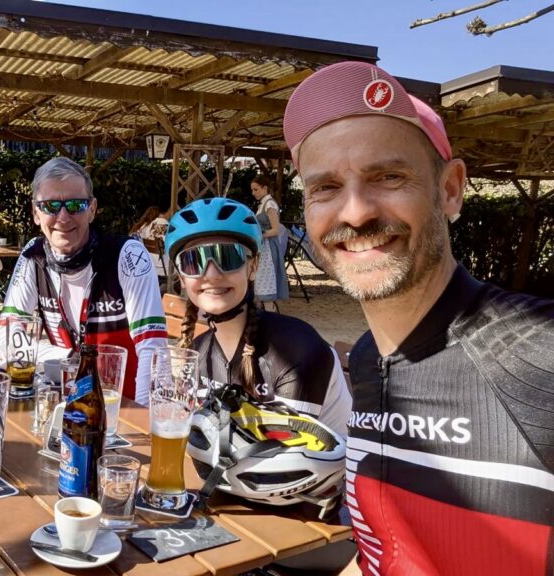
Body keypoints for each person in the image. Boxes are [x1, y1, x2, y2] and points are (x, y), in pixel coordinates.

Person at [284, 61, 554, 575]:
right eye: (326, 188)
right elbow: (382, 553)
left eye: (388, 177)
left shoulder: (539, 355)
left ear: (450, 189)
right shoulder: (369, 357)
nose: (355, 212)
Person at [0, 157, 167, 404]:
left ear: (92, 209)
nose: (63, 217)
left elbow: (153, 348)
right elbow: (7, 336)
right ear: (35, 213)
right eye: (50, 206)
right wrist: (67, 356)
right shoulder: (33, 256)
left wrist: (141, 417)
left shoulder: (128, 255)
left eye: (75, 205)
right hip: (69, 403)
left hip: (122, 405)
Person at [165, 197, 351, 435]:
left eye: (227, 257)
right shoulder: (198, 353)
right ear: (182, 278)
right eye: (193, 261)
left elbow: (285, 454)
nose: (211, 274)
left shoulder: (296, 350)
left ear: (253, 266)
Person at [250, 175, 289, 307]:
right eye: (252, 190)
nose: (253, 193)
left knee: (266, 283)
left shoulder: (270, 205)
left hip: (268, 248)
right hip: (263, 247)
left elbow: (276, 230)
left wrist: (260, 235)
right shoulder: (263, 204)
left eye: (256, 189)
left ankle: (268, 310)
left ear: (265, 188)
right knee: (259, 281)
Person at [129, 205, 170, 279]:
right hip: (164, 267)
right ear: (159, 214)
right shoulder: (160, 222)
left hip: (147, 266)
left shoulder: (142, 227)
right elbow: (169, 241)